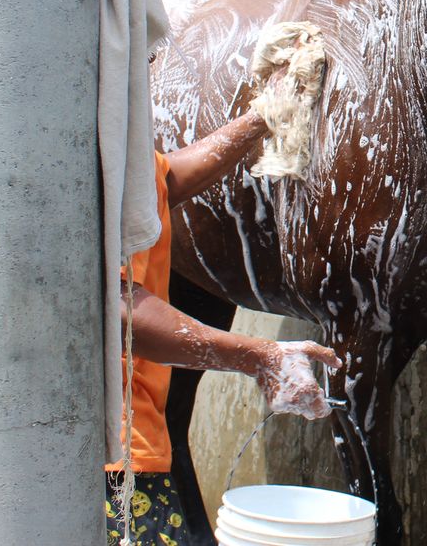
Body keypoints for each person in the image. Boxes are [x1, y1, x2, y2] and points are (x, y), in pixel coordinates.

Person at [105, 109, 341, 546]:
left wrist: (265, 114)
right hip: (106, 463)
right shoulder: (66, 143)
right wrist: (262, 357)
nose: (152, 59)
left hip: (133, 445)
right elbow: (111, 305)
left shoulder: (105, 136)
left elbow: (164, 177)